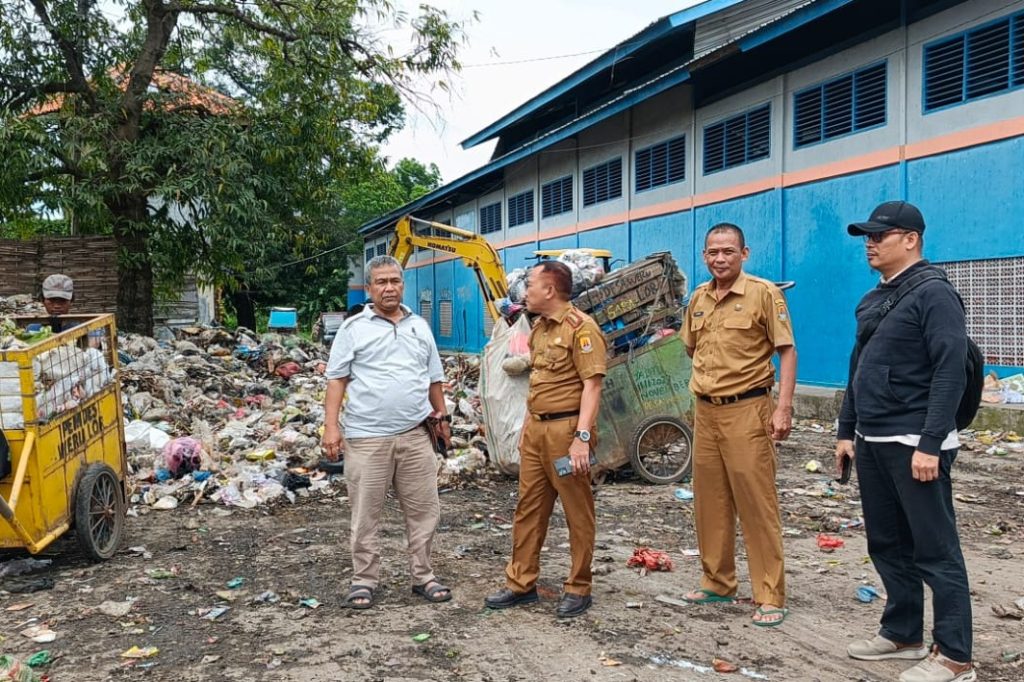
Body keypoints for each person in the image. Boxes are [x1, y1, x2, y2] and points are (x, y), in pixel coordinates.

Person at [837, 201, 974, 682]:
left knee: (935, 549)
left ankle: (955, 657)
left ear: (910, 239)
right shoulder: (876, 297)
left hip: (915, 440)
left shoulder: (934, 293)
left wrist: (931, 443)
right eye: (866, 237)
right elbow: (858, 368)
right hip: (872, 438)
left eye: (880, 235)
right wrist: (845, 430)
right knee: (886, 543)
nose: (870, 244)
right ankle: (903, 632)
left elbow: (950, 370)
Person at [680, 223, 797, 627]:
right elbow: (691, 347)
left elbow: (787, 351)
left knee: (756, 502)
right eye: (712, 252)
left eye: (728, 251)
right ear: (704, 256)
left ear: (744, 254)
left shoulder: (764, 294)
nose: (720, 259)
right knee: (709, 501)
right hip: (706, 412)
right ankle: (717, 582)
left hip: (748, 411)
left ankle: (769, 593)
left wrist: (783, 408)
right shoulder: (698, 299)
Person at [320, 255, 452, 609]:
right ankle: (364, 579)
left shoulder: (419, 326)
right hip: (366, 438)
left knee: (425, 511)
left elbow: (433, 378)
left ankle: (423, 576)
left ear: (402, 285)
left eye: (394, 281)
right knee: (365, 513)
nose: (389, 287)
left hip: (415, 435)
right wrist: (331, 427)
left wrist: (443, 421)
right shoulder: (353, 329)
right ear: (369, 288)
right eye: (381, 282)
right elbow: (337, 381)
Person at [484, 261, 606, 619]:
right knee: (529, 508)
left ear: (550, 290)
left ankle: (578, 586)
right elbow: (538, 381)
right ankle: (521, 583)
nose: (525, 292)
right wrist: (527, 425)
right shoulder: (538, 329)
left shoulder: (581, 329)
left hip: (567, 433)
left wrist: (582, 438)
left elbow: (593, 385)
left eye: (531, 284)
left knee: (576, 511)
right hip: (536, 431)